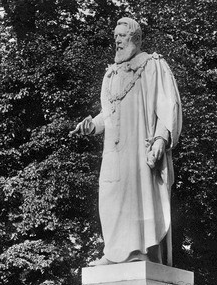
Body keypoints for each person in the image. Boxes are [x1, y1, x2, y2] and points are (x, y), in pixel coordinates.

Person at [70, 17, 182, 266]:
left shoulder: (153, 65)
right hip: (114, 151)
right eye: (115, 37)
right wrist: (92, 126)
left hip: (139, 144)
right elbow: (107, 114)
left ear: (137, 39)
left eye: (122, 36)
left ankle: (137, 251)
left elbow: (167, 105)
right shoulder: (111, 74)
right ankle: (114, 253)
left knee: (136, 195)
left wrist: (161, 138)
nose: (117, 41)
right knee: (110, 196)